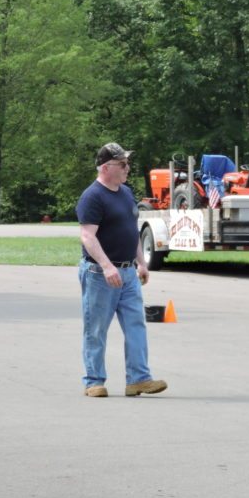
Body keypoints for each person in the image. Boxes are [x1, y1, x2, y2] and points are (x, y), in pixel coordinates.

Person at [78, 142, 168, 398]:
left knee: (136, 325)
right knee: (96, 329)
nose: (128, 168)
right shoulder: (93, 196)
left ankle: (138, 379)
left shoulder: (126, 193)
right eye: (122, 164)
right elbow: (87, 236)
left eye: (127, 163)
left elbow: (132, 231)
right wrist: (107, 267)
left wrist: (141, 262)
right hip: (100, 274)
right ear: (106, 167)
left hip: (128, 273)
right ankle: (93, 381)